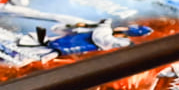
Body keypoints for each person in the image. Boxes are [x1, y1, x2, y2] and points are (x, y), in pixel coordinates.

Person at [17, 20, 152, 57]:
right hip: (74, 38)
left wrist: (104, 26)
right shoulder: (110, 29)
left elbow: (101, 39)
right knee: (52, 42)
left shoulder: (124, 42)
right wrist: (85, 26)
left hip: (83, 46)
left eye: (127, 28)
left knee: (52, 49)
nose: (123, 27)